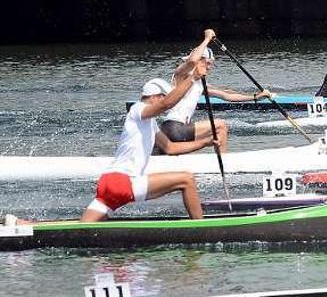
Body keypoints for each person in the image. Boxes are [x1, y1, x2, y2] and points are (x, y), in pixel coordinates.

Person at [80, 68, 215, 222]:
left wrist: (205, 142)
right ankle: (201, 228)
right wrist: (193, 77)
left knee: (80, 230)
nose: (165, 101)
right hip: (123, 181)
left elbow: (171, 148)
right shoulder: (138, 109)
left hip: (108, 183)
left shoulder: (150, 123)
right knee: (187, 179)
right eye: (163, 96)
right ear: (152, 96)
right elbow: (166, 104)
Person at [158, 29, 271, 155]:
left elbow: (226, 94)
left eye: (211, 64)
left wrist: (255, 97)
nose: (210, 67)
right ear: (201, 60)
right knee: (220, 126)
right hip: (173, 128)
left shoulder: (200, 84)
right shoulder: (182, 75)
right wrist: (207, 39)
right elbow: (191, 61)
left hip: (177, 131)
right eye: (208, 63)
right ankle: (224, 165)